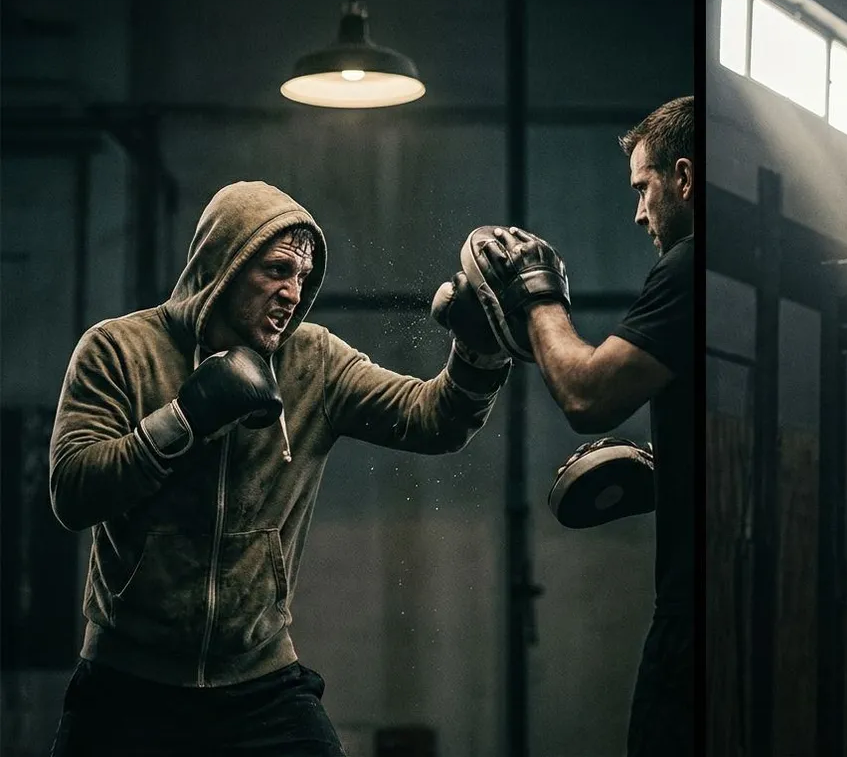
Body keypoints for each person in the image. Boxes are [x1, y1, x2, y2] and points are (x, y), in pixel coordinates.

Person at [48, 181, 513, 756]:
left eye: (302, 277)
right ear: (225, 263)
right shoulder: (119, 350)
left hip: (259, 682)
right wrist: (184, 417)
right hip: (127, 680)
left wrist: (480, 353)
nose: (293, 293)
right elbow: (72, 491)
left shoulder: (314, 361)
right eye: (276, 270)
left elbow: (433, 420)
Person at [474, 95, 695, 756]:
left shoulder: (687, 265)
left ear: (682, 178)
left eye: (643, 188)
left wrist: (538, 297)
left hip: (690, 618)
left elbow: (586, 396)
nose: (638, 213)